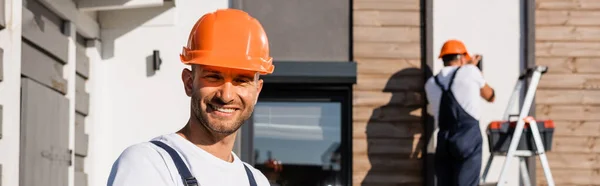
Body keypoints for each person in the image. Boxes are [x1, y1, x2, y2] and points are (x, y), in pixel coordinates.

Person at [107, 8, 275, 186]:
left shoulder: (256, 181)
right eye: (213, 77)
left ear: (257, 91)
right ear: (188, 82)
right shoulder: (149, 164)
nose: (226, 96)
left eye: (241, 80)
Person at [425, 39, 495, 186]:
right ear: (462, 57)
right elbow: (490, 96)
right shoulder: (470, 71)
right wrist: (476, 71)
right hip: (468, 137)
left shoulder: (430, 83)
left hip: (444, 140)